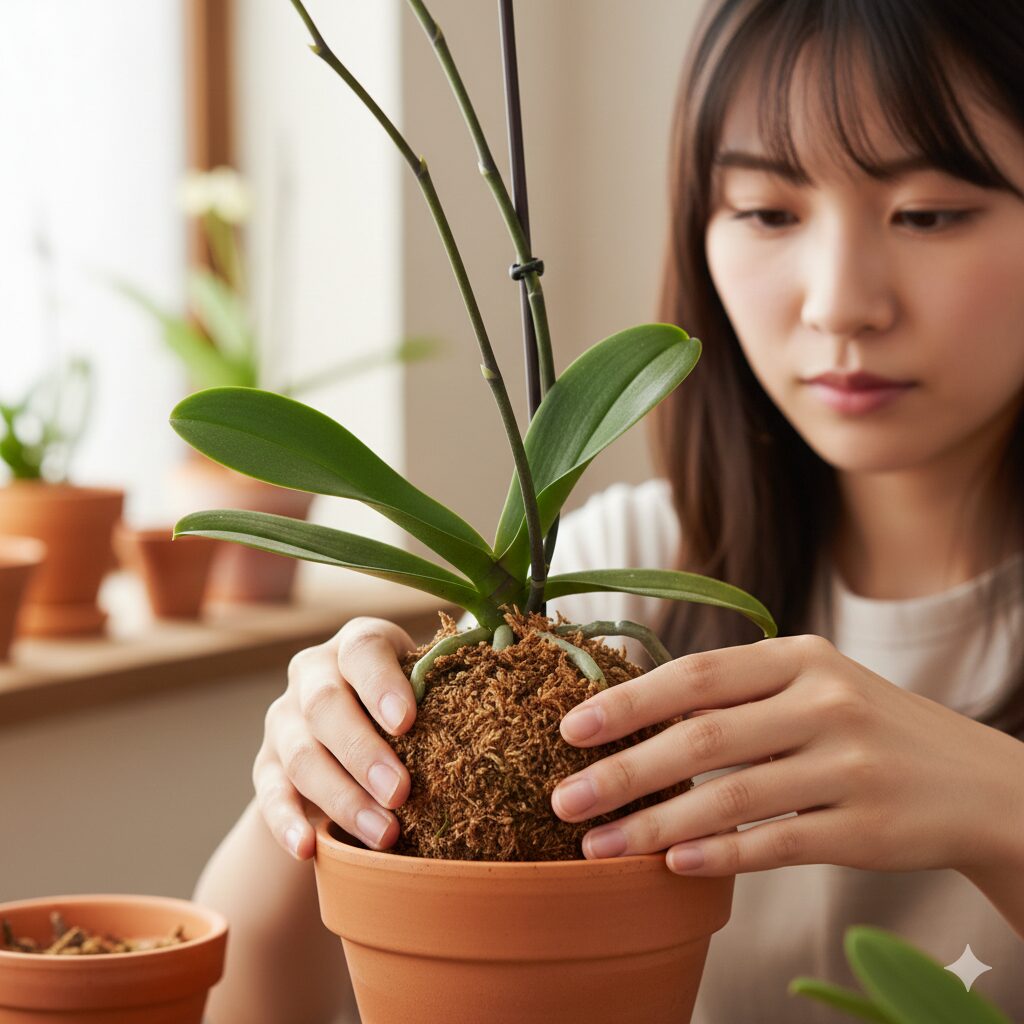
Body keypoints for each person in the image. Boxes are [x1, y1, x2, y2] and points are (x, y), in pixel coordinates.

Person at [193, 0, 1024, 1020]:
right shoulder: (621, 585)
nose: (839, 301)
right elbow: (236, 1004)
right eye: (767, 211)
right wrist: (323, 779)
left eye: (930, 213)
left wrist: (1002, 805)